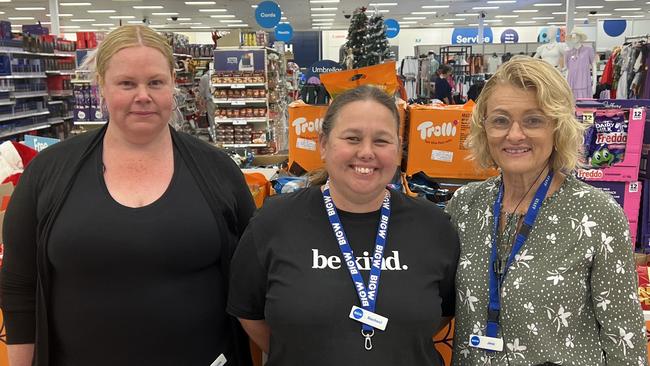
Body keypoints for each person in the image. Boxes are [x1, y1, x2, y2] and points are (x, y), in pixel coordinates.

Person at [0, 25, 255, 366]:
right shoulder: (50, 172)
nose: (143, 95)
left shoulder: (218, 171)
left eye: (155, 82)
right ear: (102, 88)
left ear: (172, 86)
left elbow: (253, 276)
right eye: (126, 83)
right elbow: (19, 284)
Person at [227, 85, 460, 365]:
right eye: (352, 138)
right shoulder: (273, 222)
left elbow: (443, 312)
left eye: (382, 141)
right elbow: (249, 313)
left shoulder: (434, 226)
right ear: (324, 145)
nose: (366, 152)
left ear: (398, 150)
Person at [446, 56, 647, 365]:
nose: (514, 135)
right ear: (483, 127)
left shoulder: (597, 214)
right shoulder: (465, 206)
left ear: (558, 127)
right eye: (500, 120)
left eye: (533, 120)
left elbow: (625, 338)